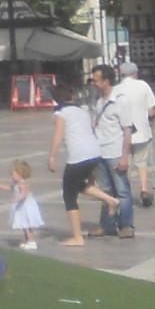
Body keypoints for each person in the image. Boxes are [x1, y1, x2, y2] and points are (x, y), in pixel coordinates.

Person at [47, 78, 121, 246]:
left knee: (69, 195)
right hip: (94, 152)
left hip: (79, 155)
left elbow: (58, 136)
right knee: (77, 184)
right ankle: (110, 200)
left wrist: (52, 157)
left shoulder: (61, 113)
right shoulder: (82, 111)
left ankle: (77, 237)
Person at [104, 60, 155, 235]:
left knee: (126, 163)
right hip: (142, 131)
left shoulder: (117, 89)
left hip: (123, 133)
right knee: (142, 162)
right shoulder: (143, 85)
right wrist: (149, 118)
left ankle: (126, 190)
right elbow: (152, 109)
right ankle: (144, 189)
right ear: (135, 73)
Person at [1, 157, 46, 250]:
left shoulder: (22, 184)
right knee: (24, 225)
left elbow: (24, 193)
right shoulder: (17, 184)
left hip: (26, 207)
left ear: (20, 174)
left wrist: (16, 199)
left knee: (26, 225)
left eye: (13, 174)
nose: (11, 176)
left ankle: (31, 241)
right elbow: (10, 188)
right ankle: (28, 241)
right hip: (22, 207)